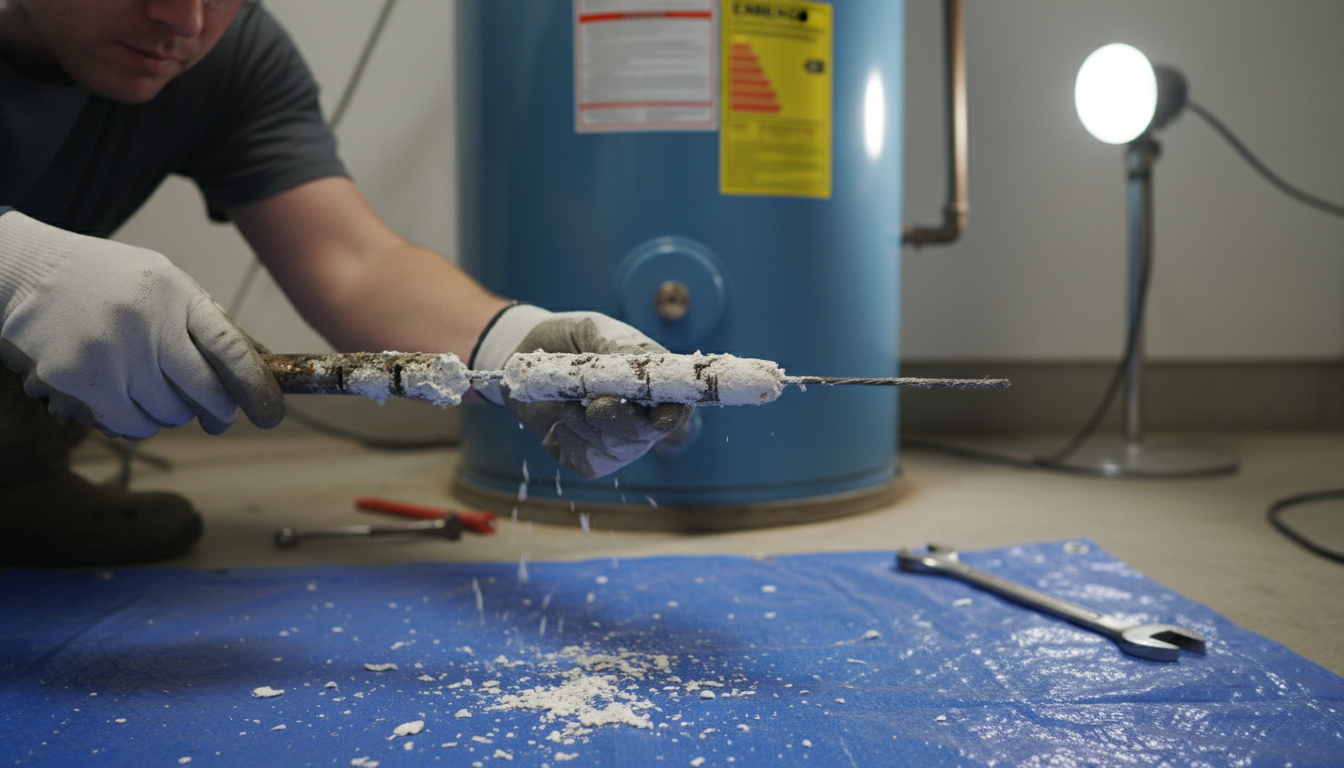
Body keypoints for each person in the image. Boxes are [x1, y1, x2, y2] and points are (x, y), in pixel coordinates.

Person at [0, 0, 689, 567]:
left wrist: (518, 345)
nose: (183, 21)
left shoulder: (232, 54)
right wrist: (18, 266)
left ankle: (15, 475)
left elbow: (354, 263)